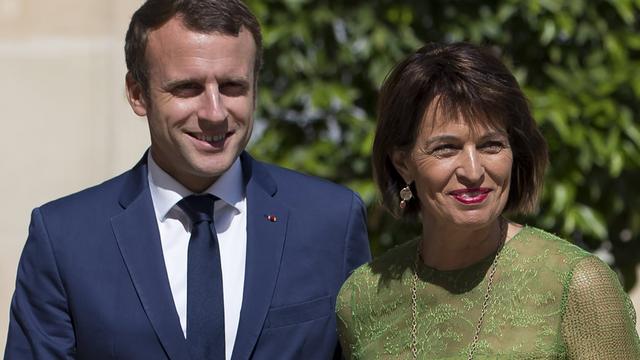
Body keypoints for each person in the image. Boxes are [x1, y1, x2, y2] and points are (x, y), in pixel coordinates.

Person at [5, 0, 370, 359]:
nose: (214, 112)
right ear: (137, 94)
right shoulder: (64, 239)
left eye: (231, 86)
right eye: (187, 88)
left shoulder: (331, 222)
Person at [336, 42, 640, 359]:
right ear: (403, 163)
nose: (473, 170)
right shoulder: (362, 297)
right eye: (446, 148)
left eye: (491, 145)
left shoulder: (577, 284)